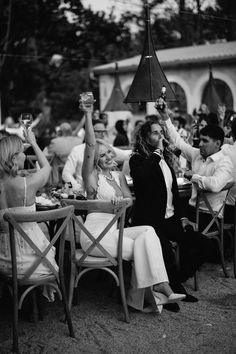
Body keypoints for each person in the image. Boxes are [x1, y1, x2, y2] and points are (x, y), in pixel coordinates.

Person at [79, 100, 185, 313]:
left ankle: (157, 286)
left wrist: (121, 202)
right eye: (102, 156)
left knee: (148, 232)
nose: (108, 157)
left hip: (115, 231)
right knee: (143, 247)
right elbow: (91, 146)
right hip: (96, 233)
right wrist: (89, 114)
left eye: (109, 153)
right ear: (95, 161)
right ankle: (152, 291)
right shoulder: (90, 177)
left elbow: (129, 200)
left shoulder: (118, 176)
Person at [129, 118, 210, 310]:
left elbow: (173, 193)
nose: (160, 136)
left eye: (161, 132)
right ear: (145, 136)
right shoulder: (137, 159)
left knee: (203, 243)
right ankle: (172, 289)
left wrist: (182, 217)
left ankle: (177, 280)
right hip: (150, 222)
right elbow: (141, 177)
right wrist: (157, 152)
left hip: (171, 218)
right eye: (155, 132)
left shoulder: (165, 159)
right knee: (164, 249)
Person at [155, 98, 234, 230]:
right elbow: (178, 141)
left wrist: (193, 176)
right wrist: (164, 116)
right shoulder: (197, 154)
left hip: (210, 217)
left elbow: (214, 185)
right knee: (163, 215)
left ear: (217, 144)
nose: (200, 144)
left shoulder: (225, 162)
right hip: (191, 210)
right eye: (200, 140)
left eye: (205, 141)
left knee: (170, 221)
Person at [0, 131, 58, 297]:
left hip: (3, 261)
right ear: (13, 158)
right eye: (23, 152)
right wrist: (33, 142)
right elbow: (47, 167)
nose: (25, 155)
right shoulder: (27, 184)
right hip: (34, 261)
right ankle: (36, 303)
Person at [62, 119, 132, 193]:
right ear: (89, 132)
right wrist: (77, 187)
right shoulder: (77, 150)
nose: (102, 134)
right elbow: (66, 173)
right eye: (98, 131)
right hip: (85, 191)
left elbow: (126, 154)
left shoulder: (106, 148)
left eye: (103, 131)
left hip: (106, 191)